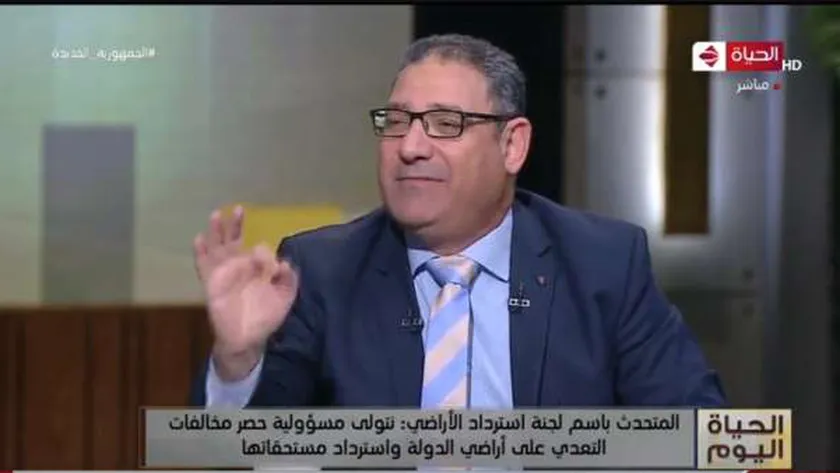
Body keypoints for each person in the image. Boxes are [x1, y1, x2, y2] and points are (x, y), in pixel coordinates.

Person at [190, 34, 726, 409]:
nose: (410, 147)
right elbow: (251, 452)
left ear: (512, 145)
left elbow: (698, 432)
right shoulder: (322, 271)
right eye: (396, 121)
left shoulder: (602, 263)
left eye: (445, 123)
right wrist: (238, 361)